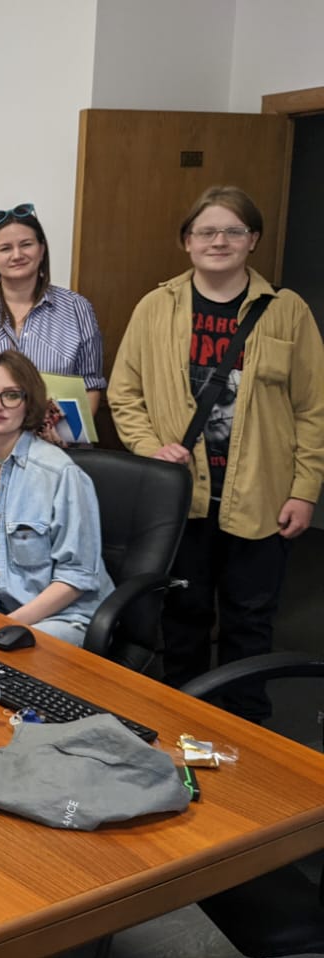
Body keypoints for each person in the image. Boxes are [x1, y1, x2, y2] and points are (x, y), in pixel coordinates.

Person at [108, 185, 324, 720]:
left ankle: (248, 727)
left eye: (233, 231)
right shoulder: (156, 307)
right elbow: (124, 393)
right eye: (206, 231)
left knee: (250, 621)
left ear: (253, 240)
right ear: (187, 241)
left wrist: (305, 491)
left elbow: (312, 409)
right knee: (183, 616)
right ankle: (183, 718)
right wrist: (149, 449)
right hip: (183, 499)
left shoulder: (287, 312)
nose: (219, 241)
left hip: (262, 496)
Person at [0, 352, 114, 646]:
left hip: (58, 618)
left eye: (11, 395)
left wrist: (4, 626)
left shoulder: (60, 474)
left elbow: (77, 576)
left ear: (29, 404)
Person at [0, 203, 105, 428]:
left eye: (26, 245)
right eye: (6, 248)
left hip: (56, 440)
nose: (17, 255)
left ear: (41, 250)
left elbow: (91, 386)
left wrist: (64, 431)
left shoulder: (77, 309)